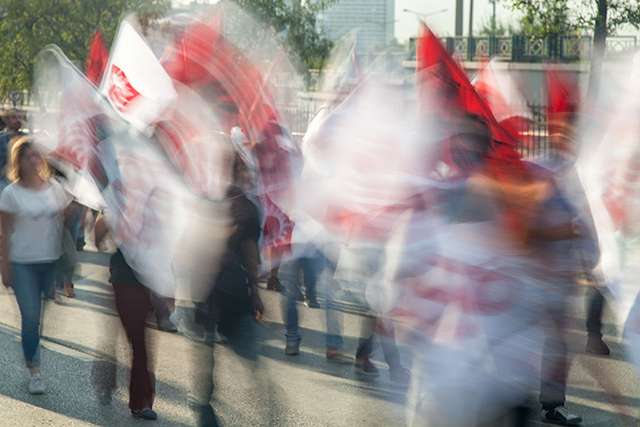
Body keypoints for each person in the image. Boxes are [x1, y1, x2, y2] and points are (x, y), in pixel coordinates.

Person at [0, 137, 76, 394]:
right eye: (27, 156)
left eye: (36, 155)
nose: (33, 160)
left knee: (39, 319)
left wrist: (75, 203)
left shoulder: (54, 187)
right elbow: (4, 231)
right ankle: (35, 372)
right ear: (18, 162)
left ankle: (30, 353)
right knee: (31, 318)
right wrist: (5, 265)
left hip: (49, 262)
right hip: (22, 264)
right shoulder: (11, 193)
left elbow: (68, 221)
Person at [0, 108, 25, 181]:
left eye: (19, 117)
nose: (18, 120)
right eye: (14, 117)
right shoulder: (1, 139)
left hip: (23, 180)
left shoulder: (27, 138)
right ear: (5, 120)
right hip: (4, 181)